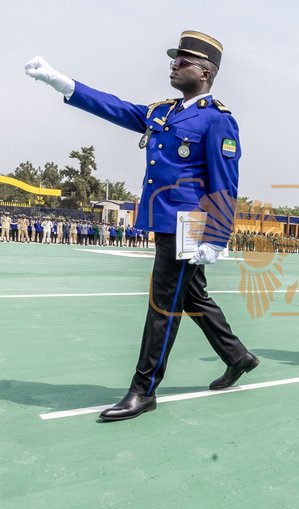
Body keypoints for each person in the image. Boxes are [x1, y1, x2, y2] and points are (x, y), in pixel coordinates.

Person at [25, 30, 259, 421]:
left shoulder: (217, 121)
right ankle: (238, 356)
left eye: (182, 61)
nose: (173, 65)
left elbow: (224, 182)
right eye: (174, 59)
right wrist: (62, 83)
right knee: (192, 297)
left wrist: (217, 236)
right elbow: (115, 108)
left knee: (162, 306)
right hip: (165, 221)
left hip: (188, 225)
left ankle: (143, 390)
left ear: (205, 73)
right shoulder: (163, 111)